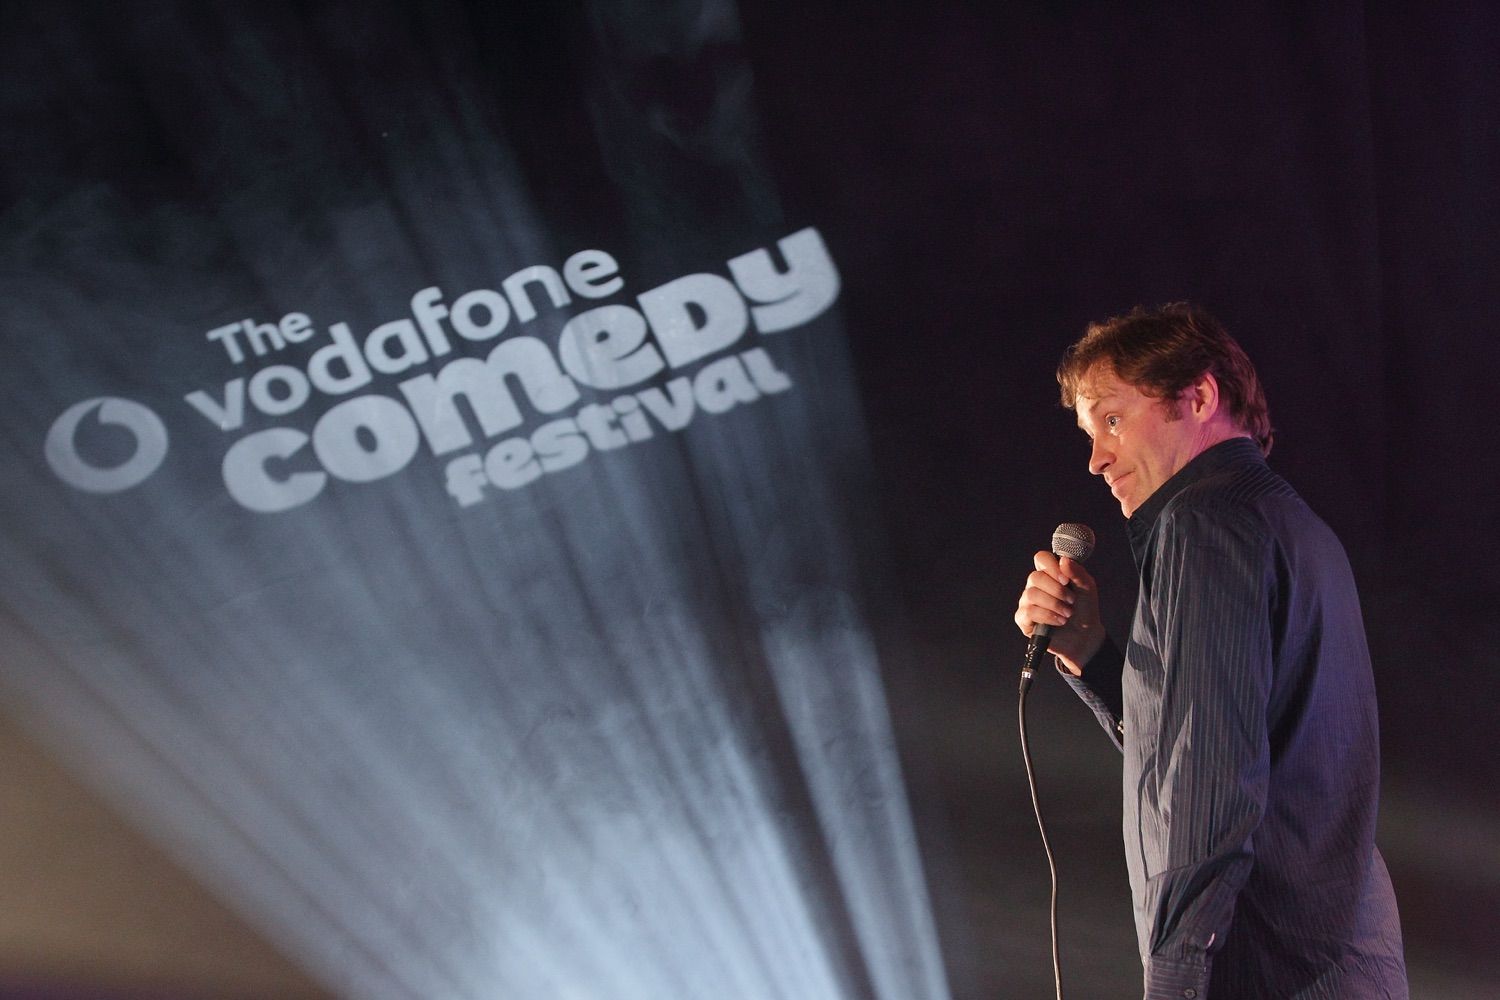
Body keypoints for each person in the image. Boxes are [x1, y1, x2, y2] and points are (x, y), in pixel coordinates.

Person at [1014, 304, 1407, 998]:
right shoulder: (1284, 519)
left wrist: (1173, 980)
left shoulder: (1205, 524)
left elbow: (1209, 782)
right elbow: (1220, 743)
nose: (1096, 458)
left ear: (1197, 397)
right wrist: (1094, 656)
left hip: (1269, 968)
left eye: (1111, 419)